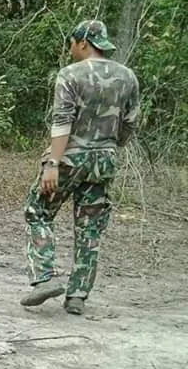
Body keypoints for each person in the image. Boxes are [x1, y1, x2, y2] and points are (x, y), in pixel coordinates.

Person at [19, 20, 140, 315]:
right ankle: (77, 295)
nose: (71, 49)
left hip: (71, 157)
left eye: (72, 43)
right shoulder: (128, 77)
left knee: (37, 211)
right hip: (105, 159)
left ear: (83, 42)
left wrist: (52, 163)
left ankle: (43, 278)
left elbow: (62, 121)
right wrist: (110, 146)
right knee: (90, 227)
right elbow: (130, 123)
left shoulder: (70, 75)